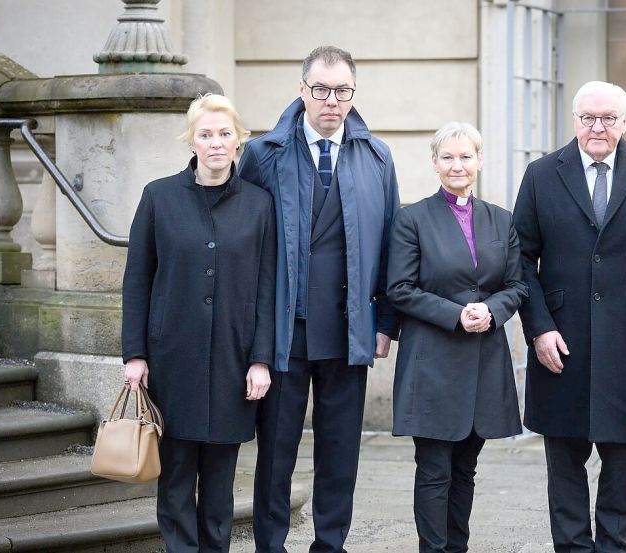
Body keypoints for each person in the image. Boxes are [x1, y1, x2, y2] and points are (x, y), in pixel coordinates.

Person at [237, 45, 400, 553]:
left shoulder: (377, 156)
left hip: (349, 330)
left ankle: (331, 545)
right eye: (322, 89)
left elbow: (392, 245)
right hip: (284, 331)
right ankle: (270, 546)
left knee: (340, 454)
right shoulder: (263, 155)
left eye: (343, 91)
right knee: (276, 453)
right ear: (302, 89)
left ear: (353, 92)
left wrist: (385, 323)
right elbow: (244, 242)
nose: (332, 100)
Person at [513, 81, 626, 552]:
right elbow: (519, 259)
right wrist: (539, 329)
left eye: (608, 118)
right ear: (575, 120)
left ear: (624, 122)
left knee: (622, 463)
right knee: (564, 461)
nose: (598, 127)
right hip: (560, 341)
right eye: (588, 118)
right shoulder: (542, 174)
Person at [121, 93, 276, 553]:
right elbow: (137, 281)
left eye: (224, 133)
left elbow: (268, 288)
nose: (215, 143)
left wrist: (261, 359)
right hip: (173, 360)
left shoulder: (260, 205)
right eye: (205, 134)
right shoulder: (159, 197)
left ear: (238, 140)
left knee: (220, 484)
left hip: (233, 361)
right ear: (191, 141)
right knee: (174, 479)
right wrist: (135, 354)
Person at [386, 122, 528, 553]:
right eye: (447, 157)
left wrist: (492, 310)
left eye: (466, 156)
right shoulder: (411, 219)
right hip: (432, 363)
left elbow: (517, 285)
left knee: (465, 471)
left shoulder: (501, 220)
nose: (457, 165)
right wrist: (456, 314)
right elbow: (399, 288)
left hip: (484, 361)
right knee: (434, 472)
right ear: (434, 163)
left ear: (480, 161)